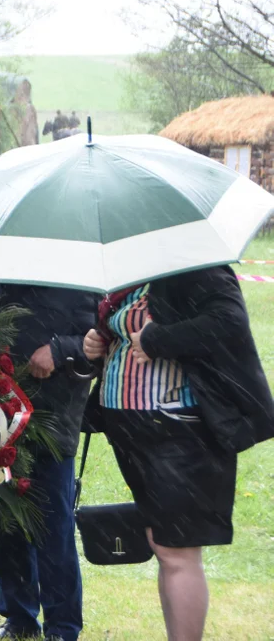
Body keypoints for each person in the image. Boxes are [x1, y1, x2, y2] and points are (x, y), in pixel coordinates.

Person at [82, 266, 274, 641]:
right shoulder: (135, 269)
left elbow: (228, 323)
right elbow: (127, 335)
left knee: (178, 552)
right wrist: (97, 343)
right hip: (134, 430)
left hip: (180, 431)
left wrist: (158, 340)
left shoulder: (198, 266)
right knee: (163, 545)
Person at [0, 283, 98, 641]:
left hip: (53, 415)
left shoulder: (77, 273)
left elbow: (98, 340)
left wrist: (59, 349)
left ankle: (62, 627)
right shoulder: (0, 270)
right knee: (5, 520)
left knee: (52, 526)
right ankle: (19, 618)